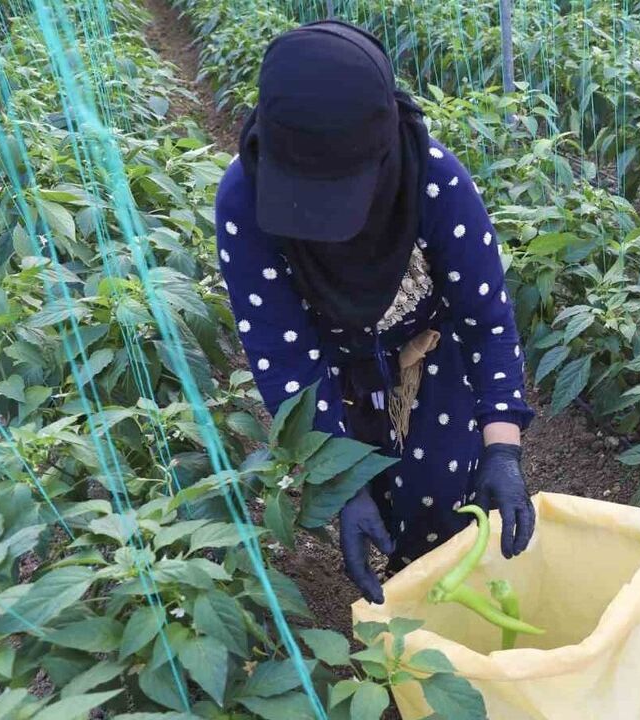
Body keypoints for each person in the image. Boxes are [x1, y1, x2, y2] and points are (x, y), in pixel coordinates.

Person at [215, 20, 535, 604]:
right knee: (374, 495)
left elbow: (486, 321)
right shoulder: (246, 198)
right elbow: (283, 355)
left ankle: (447, 612)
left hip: (431, 356)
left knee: (446, 495)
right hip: (333, 370)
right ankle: (402, 614)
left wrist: (503, 450)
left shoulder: (433, 182)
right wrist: (338, 484)